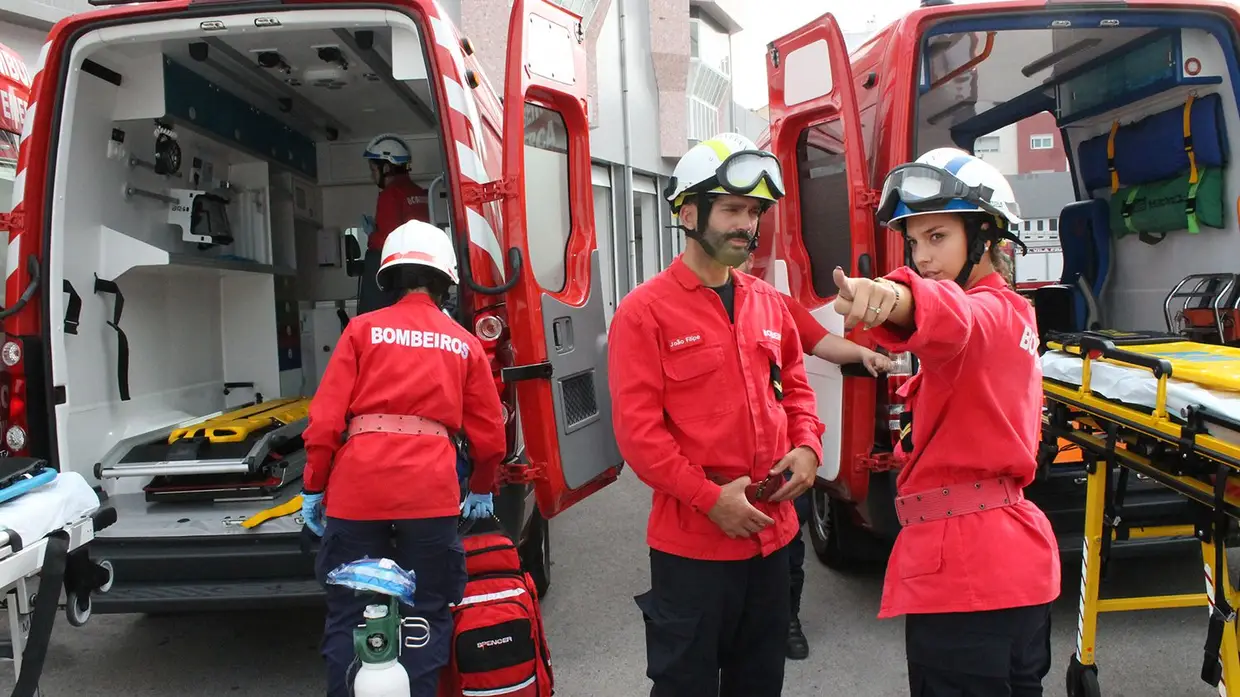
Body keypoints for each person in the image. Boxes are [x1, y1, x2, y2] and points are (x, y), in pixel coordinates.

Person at [830, 147, 1059, 696]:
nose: (923, 255)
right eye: (914, 241)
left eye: (938, 237)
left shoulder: (983, 314)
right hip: (1010, 570)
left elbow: (946, 315)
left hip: (966, 576)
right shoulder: (1015, 313)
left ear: (986, 238)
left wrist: (888, 295)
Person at [608, 132, 826, 697]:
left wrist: (808, 449)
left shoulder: (769, 302)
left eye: (754, 212)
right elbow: (640, 436)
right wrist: (711, 500)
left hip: (774, 540)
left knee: (760, 682)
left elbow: (798, 392)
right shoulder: (643, 313)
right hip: (693, 550)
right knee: (686, 686)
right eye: (731, 209)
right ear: (688, 212)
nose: (746, 225)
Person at [299, 219, 506, 697]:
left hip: (357, 493)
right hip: (429, 495)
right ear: (446, 283)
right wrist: (480, 486)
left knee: (349, 614)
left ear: (389, 278)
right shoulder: (465, 343)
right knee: (427, 610)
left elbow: (326, 422)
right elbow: (490, 434)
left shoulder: (361, 330)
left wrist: (313, 487)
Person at [737, 251, 891, 660]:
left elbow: (820, 342)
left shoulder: (772, 301)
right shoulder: (672, 306)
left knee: (788, 543)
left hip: (778, 454)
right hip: (722, 463)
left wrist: (863, 355)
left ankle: (787, 619)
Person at [357, 133, 433, 315]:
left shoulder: (390, 195)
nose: (371, 176)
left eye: (373, 169)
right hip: (420, 270)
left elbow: (386, 242)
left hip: (395, 272)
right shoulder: (421, 194)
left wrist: (371, 235)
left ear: (386, 168)